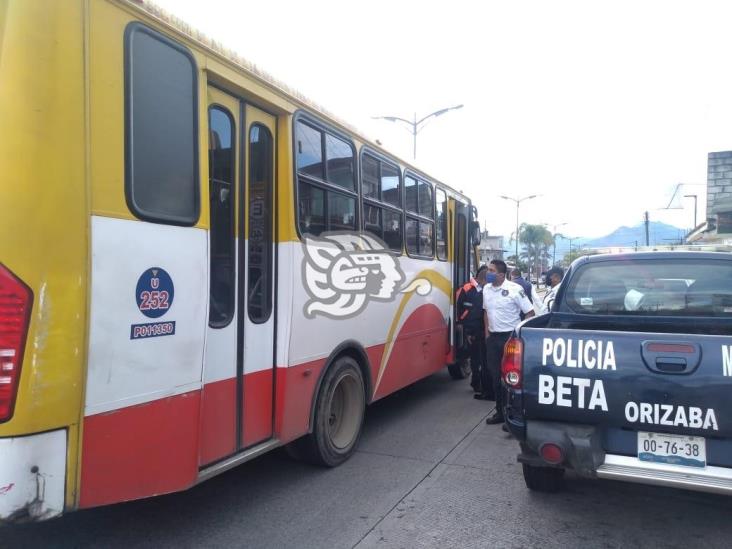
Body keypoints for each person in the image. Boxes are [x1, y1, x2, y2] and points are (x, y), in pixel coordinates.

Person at [483, 259, 535, 425]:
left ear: (500, 274)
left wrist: (519, 335)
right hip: (493, 339)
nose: (487, 273)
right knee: (495, 377)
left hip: (510, 338)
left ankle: (513, 417)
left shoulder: (515, 289)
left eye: (491, 270)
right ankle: (500, 412)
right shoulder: (486, 289)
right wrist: (487, 334)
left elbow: (530, 313)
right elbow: (486, 312)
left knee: (511, 380)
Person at [456, 265, 490, 396]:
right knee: (477, 358)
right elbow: (460, 310)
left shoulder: (486, 289)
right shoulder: (467, 289)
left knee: (483, 358)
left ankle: (481, 382)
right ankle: (476, 383)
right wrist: (467, 331)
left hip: (485, 329)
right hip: (473, 330)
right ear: (483, 278)